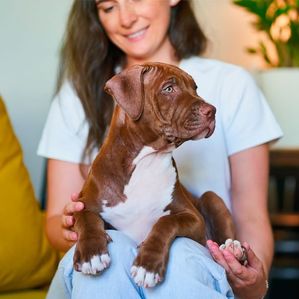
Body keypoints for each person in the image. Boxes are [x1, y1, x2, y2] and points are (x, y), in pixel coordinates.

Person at [38, 0, 283, 298]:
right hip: (106, 260)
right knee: (111, 260)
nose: (126, 18)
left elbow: (252, 216)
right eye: (108, 7)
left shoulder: (233, 84)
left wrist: (256, 284)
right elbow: (55, 223)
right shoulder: (76, 97)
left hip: (191, 263)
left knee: (181, 256)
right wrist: (79, 229)